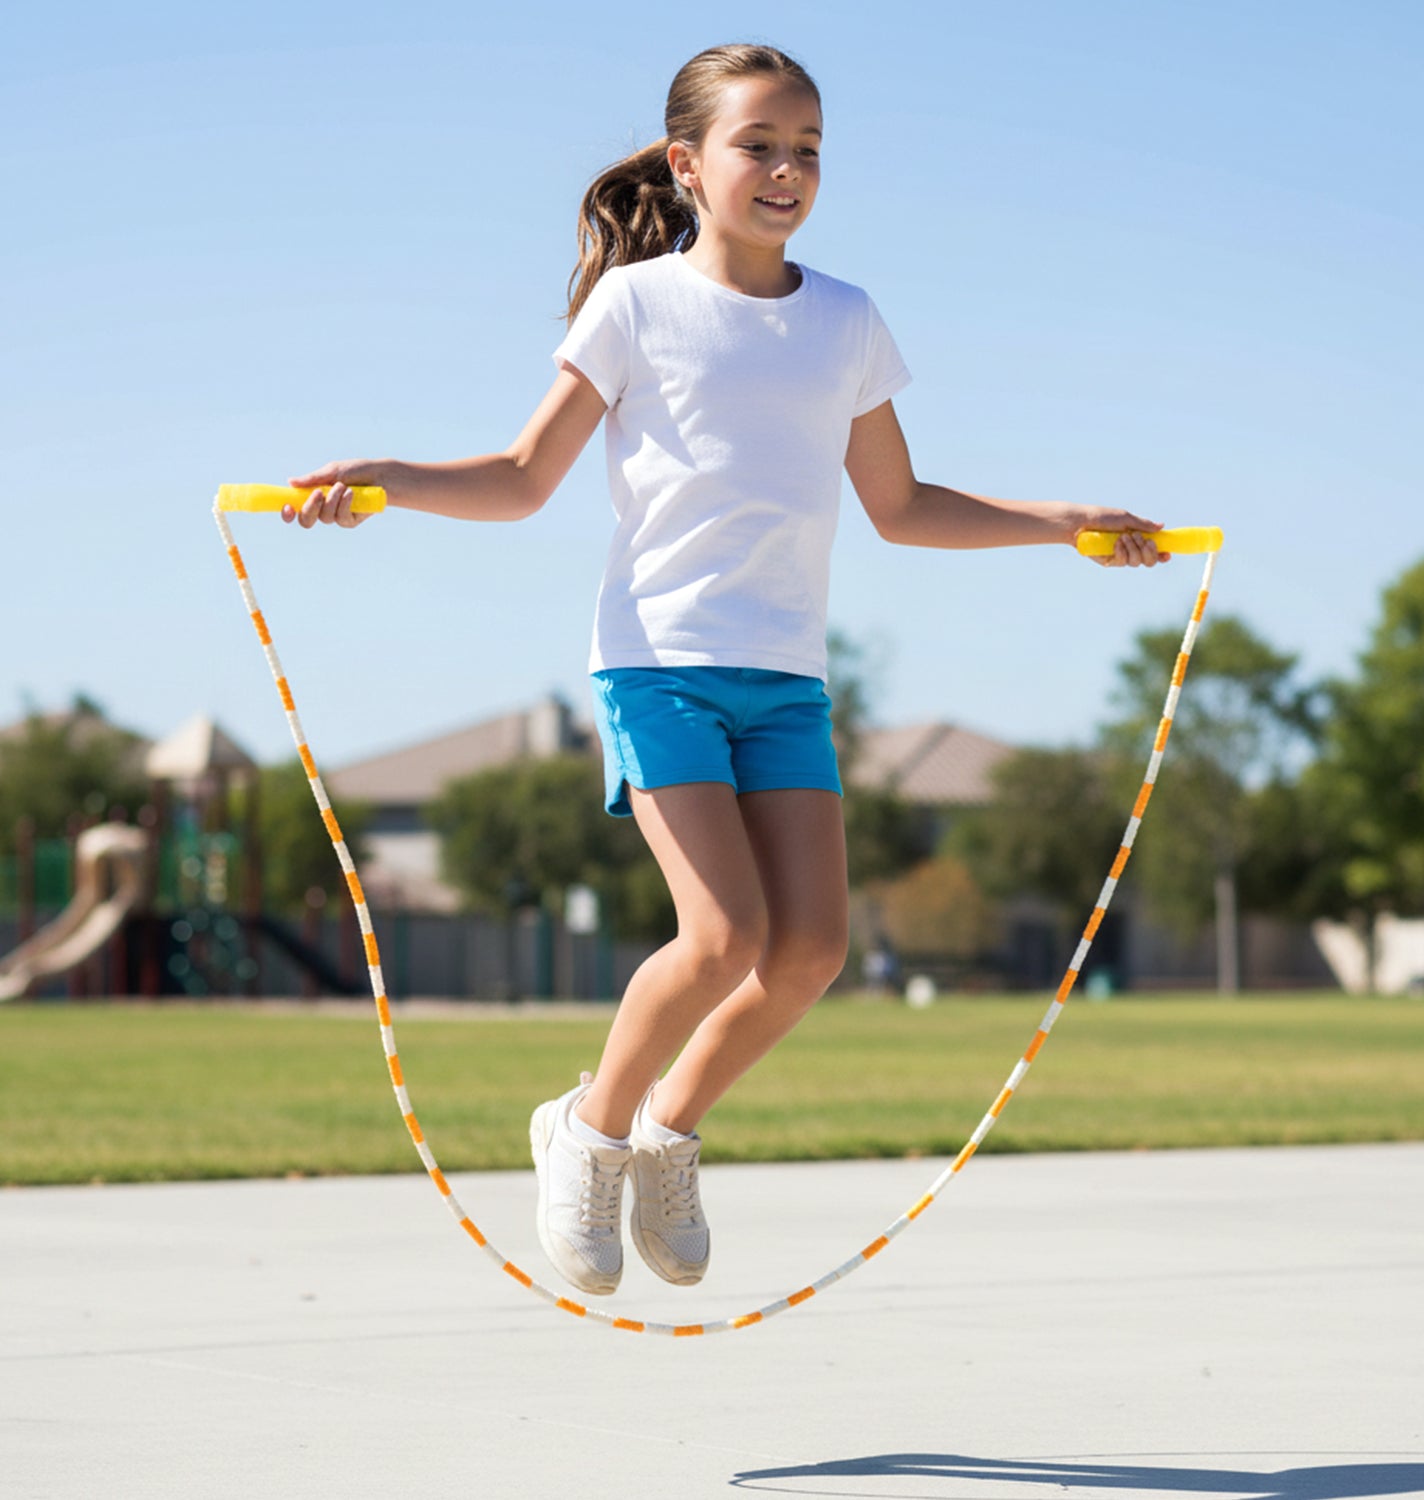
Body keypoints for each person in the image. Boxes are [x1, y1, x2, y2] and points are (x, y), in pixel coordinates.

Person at [284, 42, 1167, 1298]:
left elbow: (903, 505)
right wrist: (391, 479)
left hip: (787, 679)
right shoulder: (635, 307)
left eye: (809, 149)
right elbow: (525, 479)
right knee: (722, 934)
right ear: (689, 164)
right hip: (659, 666)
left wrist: (1060, 521)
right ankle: (587, 1131)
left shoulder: (847, 320)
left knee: (809, 951)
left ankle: (667, 1129)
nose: (788, 169)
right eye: (760, 144)